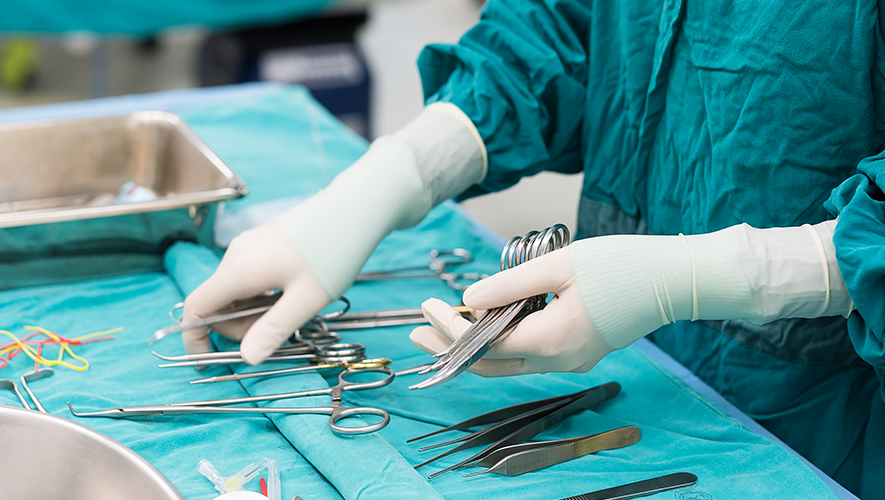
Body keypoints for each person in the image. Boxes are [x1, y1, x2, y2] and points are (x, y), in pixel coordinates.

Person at [182, 1, 885, 497]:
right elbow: (564, 31)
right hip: (635, 378)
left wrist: (696, 279)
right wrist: (389, 180)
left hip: (823, 425)